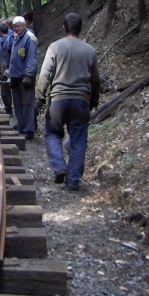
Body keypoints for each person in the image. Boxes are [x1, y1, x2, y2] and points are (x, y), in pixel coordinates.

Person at [34, 12, 101, 191]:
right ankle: (73, 181)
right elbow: (95, 79)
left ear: (63, 27)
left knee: (52, 134)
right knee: (79, 140)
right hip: (81, 102)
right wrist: (94, 99)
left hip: (58, 101)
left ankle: (59, 167)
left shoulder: (55, 47)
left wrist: (39, 98)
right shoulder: (89, 50)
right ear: (81, 28)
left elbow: (45, 74)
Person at [8, 15, 38, 143]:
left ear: (25, 25)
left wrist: (28, 75)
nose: (17, 28)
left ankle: (28, 130)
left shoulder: (29, 38)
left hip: (25, 77)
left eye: (19, 26)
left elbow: (31, 58)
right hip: (15, 76)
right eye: (15, 27)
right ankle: (21, 126)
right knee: (18, 104)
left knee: (27, 104)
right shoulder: (17, 37)